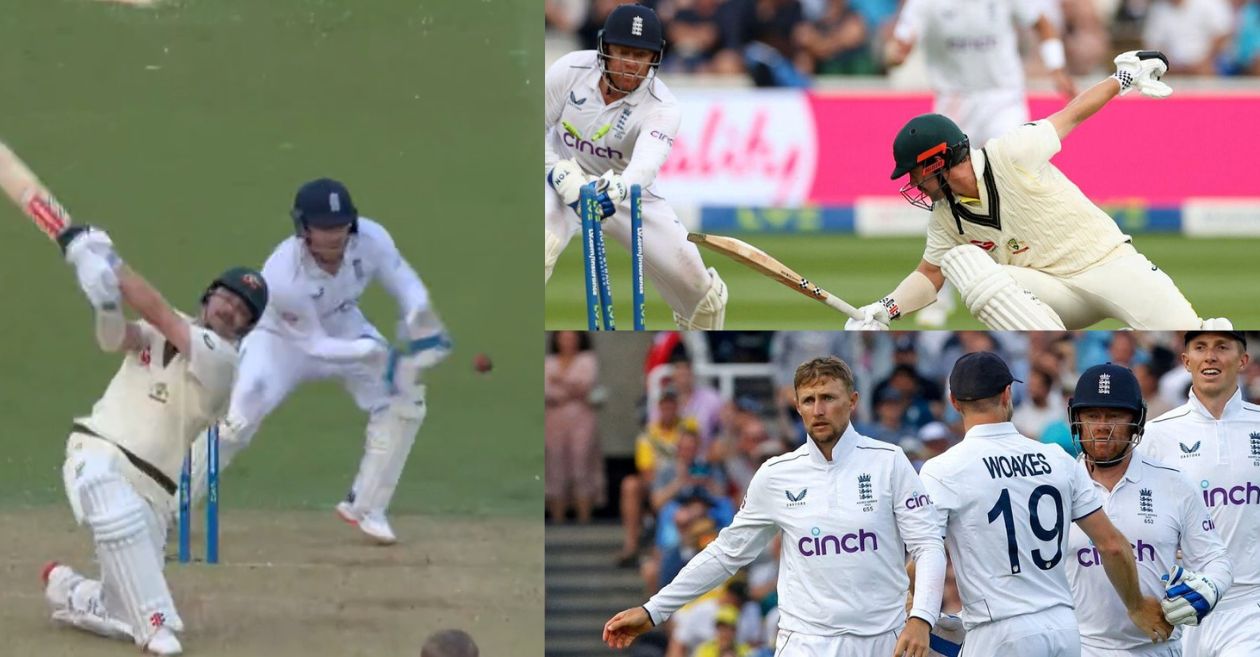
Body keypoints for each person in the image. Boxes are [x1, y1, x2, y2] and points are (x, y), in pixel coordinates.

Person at [847, 51, 1229, 332]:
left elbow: (1071, 115)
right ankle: (1051, 348)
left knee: (1194, 336)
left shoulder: (1009, 153)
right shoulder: (946, 217)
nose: (914, 185)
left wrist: (1123, 78)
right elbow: (929, 274)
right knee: (966, 263)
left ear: (937, 162)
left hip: (1108, 263)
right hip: (1051, 295)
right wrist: (884, 309)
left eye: (915, 174)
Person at [604, 356, 946, 657]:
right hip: (806, 642)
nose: (819, 409)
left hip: (882, 639)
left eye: (828, 397)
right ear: (797, 407)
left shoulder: (889, 462)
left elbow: (928, 544)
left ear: (853, 401)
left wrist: (921, 617)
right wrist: (654, 611)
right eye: (809, 400)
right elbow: (726, 553)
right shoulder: (775, 475)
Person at [39, 225, 268, 655]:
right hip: (98, 448)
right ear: (209, 295)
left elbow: (159, 312)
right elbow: (116, 339)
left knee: (121, 603)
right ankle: (156, 627)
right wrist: (105, 303)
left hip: (153, 492)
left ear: (247, 328)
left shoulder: (222, 361)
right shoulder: (169, 326)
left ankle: (70, 589)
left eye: (244, 312)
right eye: (229, 298)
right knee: (106, 496)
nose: (232, 311)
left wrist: (106, 260)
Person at [187, 178, 451, 544]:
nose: (334, 236)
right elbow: (313, 345)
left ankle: (367, 505)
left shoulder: (371, 239)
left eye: (341, 225)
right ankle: (169, 504)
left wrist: (420, 317)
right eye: (324, 228)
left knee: (405, 399)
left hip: (344, 324)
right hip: (279, 339)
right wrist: (372, 352)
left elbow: (404, 280)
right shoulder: (283, 273)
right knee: (237, 420)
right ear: (304, 227)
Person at [918, 352, 1171, 656]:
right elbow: (1113, 545)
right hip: (1063, 627)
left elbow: (926, 553)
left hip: (999, 629)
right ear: (1007, 394)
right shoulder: (1056, 457)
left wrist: (913, 608)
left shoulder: (943, 468)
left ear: (954, 402)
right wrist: (1136, 605)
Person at [885, 0, 1076, 327]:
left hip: (1004, 98)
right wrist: (896, 54)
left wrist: (1056, 67)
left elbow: (1042, 22)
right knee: (939, 193)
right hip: (953, 104)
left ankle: (1033, 284)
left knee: (1019, 184)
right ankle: (936, 295)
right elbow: (900, 44)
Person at [545, 3, 728, 329]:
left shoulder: (663, 106)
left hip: (624, 189)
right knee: (540, 248)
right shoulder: (569, 70)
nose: (631, 65)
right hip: (559, 175)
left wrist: (618, 187)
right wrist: (559, 174)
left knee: (704, 298)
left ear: (654, 57)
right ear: (605, 48)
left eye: (641, 56)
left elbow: (646, 164)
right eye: (623, 52)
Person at [1064, 363, 1232, 657]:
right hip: (1080, 648)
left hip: (1157, 647)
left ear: (1137, 420)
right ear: (1076, 420)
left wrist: (1210, 588)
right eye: (1092, 415)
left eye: (1115, 415)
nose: (1102, 426)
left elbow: (1216, 559)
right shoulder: (1057, 487)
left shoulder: (1173, 483)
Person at [1141, 331, 1260, 657]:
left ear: (1243, 361)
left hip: (1248, 605)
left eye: (1222, 347)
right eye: (1200, 347)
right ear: (1186, 361)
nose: (1211, 356)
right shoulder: (1156, 434)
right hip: (1178, 607)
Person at [546, 331, 601, 524]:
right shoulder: (549, 362)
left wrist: (559, 381)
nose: (567, 341)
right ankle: (557, 521)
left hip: (582, 418)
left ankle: (584, 521)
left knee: (581, 466)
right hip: (554, 419)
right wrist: (570, 387)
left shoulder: (587, 359)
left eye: (571, 337)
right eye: (563, 337)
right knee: (555, 467)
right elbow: (547, 391)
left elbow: (585, 386)